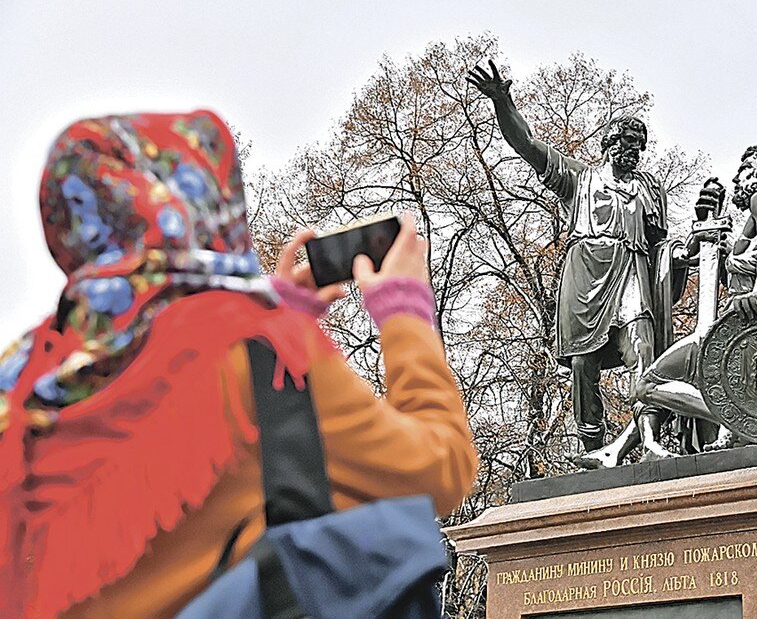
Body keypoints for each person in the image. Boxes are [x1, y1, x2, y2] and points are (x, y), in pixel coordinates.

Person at [0, 110, 478, 619]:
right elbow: (440, 470)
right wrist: (405, 314)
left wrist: (274, 309)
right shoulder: (253, 355)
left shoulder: (21, 383)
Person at [577, 145, 757, 467]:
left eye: (743, 170)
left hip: (750, 329)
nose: (735, 178)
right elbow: (738, 252)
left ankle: (737, 418)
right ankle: (622, 448)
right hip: (755, 334)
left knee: (649, 383)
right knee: (653, 384)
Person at [467, 61, 683, 453]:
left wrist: (679, 263)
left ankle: (646, 438)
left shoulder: (651, 190)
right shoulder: (581, 178)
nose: (632, 151)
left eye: (639, 146)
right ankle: (593, 448)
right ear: (608, 145)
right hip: (585, 276)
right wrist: (503, 101)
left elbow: (659, 250)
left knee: (642, 347)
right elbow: (527, 145)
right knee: (585, 365)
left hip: (632, 272)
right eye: (624, 143)